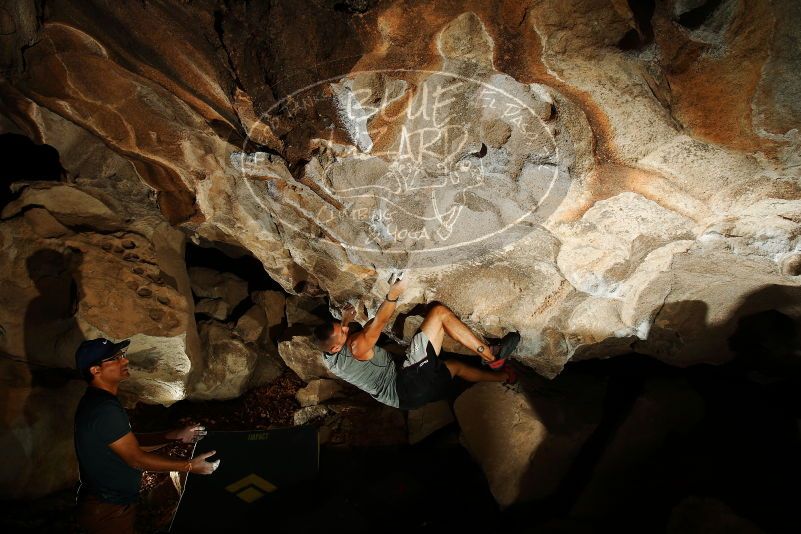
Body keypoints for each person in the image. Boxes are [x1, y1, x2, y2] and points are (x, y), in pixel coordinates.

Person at [73, 337, 221, 534]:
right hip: (108, 511)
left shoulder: (100, 402)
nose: (124, 361)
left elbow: (131, 444)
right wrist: (189, 466)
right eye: (115, 358)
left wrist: (173, 435)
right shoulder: (104, 408)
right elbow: (136, 459)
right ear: (95, 370)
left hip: (109, 506)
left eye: (122, 356)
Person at [313, 276, 520, 410]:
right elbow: (381, 321)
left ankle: (504, 377)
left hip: (407, 400)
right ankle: (492, 357)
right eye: (343, 332)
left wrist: (345, 320)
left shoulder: (329, 354)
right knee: (438, 313)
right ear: (337, 347)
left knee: (454, 367)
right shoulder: (356, 348)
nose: (345, 329)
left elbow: (341, 334)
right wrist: (394, 293)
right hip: (406, 384)